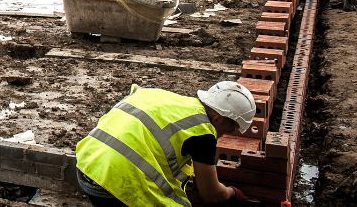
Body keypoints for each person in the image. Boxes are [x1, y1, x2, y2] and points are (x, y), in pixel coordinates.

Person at [75, 81, 255, 206]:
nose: (224, 136)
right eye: (230, 130)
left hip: (86, 167)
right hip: (111, 187)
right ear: (218, 118)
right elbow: (212, 195)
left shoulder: (161, 97)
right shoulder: (203, 132)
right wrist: (233, 193)